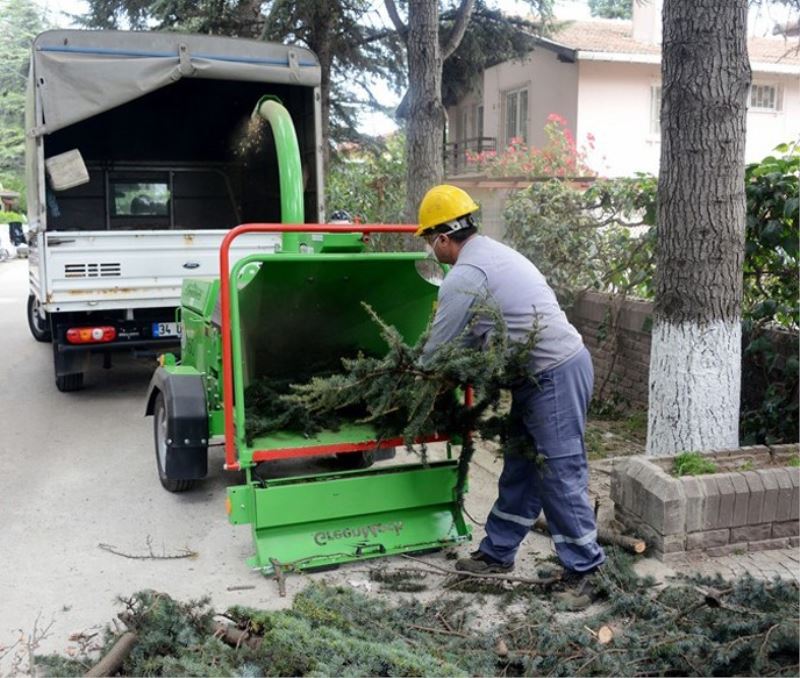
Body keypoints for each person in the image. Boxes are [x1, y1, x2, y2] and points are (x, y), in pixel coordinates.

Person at [416, 184, 605, 606]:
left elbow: (438, 354)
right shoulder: (492, 253)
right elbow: (468, 341)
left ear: (443, 238)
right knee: (521, 463)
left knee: (559, 471)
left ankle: (587, 570)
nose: (431, 249)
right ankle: (498, 552)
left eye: (430, 240)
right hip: (538, 376)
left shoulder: (465, 276)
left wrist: (415, 387)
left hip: (554, 373)